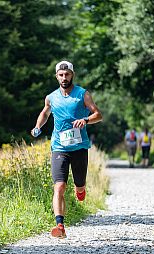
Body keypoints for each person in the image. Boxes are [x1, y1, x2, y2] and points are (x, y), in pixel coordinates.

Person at [31, 60, 102, 238]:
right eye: (61, 75)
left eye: (67, 74)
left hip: (79, 148)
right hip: (59, 147)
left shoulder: (82, 94)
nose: (64, 78)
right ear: (57, 77)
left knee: (79, 186)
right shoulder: (51, 97)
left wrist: (85, 120)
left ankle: (81, 189)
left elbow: (98, 115)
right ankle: (60, 226)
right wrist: (38, 127)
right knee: (59, 186)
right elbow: (45, 113)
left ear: (72, 75)